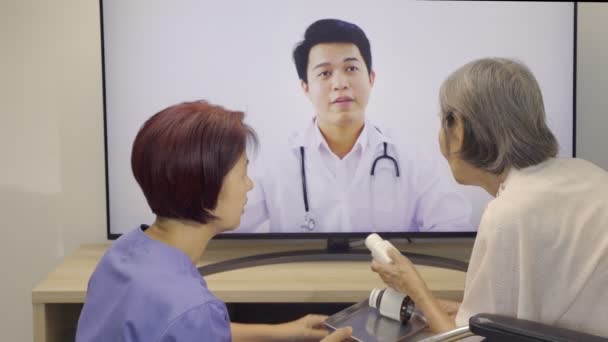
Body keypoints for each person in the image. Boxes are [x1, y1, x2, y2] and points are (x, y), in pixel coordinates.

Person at [75, 100, 352, 341]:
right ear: (205, 184)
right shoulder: (192, 308)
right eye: (243, 173)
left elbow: (189, 330)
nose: (250, 185)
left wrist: (286, 331)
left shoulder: (124, 253)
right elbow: (190, 323)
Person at [371, 58, 608, 337]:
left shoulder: (509, 213)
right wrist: (457, 309)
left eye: (442, 122)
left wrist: (416, 289)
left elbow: (470, 340)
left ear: (458, 130)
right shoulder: (588, 172)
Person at [238, 18, 472, 233]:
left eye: (351, 68)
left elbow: (453, 227)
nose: (340, 84)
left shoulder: (411, 156)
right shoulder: (274, 161)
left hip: (386, 278)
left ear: (371, 78)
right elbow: (230, 225)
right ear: (305, 87)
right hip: (301, 277)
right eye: (325, 73)